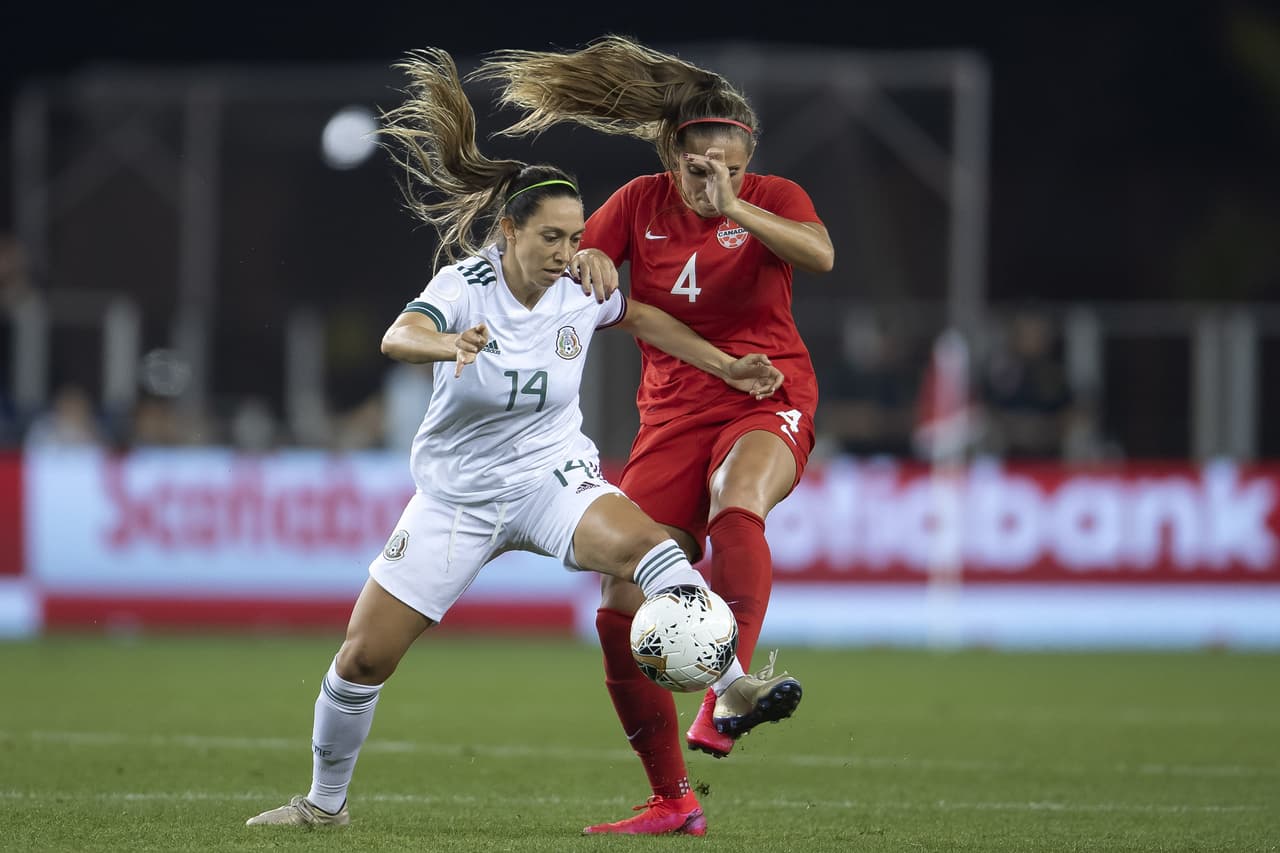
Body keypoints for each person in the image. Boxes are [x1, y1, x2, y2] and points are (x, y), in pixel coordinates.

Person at [244, 47, 787, 835]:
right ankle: (324, 804)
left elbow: (641, 316)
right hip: (457, 497)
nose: (569, 251)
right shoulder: (464, 286)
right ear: (508, 231)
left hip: (550, 477)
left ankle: (732, 685)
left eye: (575, 236)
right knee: (363, 659)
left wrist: (726, 366)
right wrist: (447, 346)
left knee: (648, 549)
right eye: (554, 237)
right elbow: (402, 335)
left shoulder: (581, 288)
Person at [477, 35, 835, 834]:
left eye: (734, 164)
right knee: (618, 603)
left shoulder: (771, 196)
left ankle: (725, 692)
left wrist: (734, 206)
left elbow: (821, 255)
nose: (719, 174)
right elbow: (581, 265)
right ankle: (671, 798)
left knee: (737, 496)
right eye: (704, 162)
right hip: (672, 410)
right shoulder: (639, 201)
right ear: (674, 154)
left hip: (767, 387)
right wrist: (591, 265)